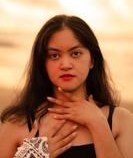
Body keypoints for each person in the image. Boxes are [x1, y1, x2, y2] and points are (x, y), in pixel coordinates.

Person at [0, 14, 133, 158]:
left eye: (75, 53)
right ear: (43, 64)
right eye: (54, 56)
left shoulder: (121, 120)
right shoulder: (18, 124)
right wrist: (34, 154)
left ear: (92, 60)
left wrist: (99, 124)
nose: (65, 65)